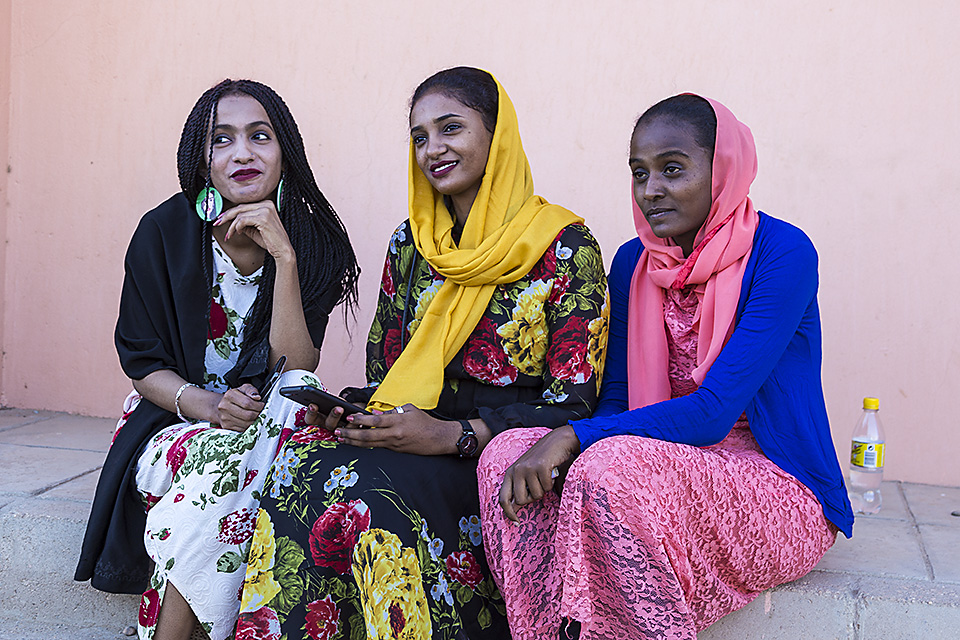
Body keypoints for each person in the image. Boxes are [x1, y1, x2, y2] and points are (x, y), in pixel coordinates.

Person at [236, 67, 608, 640]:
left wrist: (452, 435)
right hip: (415, 443)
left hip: (497, 458)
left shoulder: (564, 245)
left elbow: (577, 404)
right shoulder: (410, 244)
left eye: (451, 128)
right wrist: (349, 410)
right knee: (299, 472)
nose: (433, 149)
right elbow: (388, 377)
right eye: (419, 136)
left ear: (497, 132)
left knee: (369, 502)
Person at [477, 94, 855, 640]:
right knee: (504, 456)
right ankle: (544, 630)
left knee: (604, 468)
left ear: (721, 168)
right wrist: (576, 437)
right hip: (653, 459)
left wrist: (572, 436)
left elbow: (712, 414)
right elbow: (618, 399)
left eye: (672, 169)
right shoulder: (635, 261)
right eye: (639, 173)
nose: (651, 190)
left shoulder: (783, 253)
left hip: (774, 481)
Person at [74, 79, 360, 640]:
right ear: (200, 159)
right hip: (171, 420)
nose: (243, 153)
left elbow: (295, 366)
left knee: (275, 458)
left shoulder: (314, 240)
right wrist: (208, 406)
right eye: (221, 140)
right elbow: (141, 361)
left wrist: (285, 257)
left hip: (270, 420)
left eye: (260, 136)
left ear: (286, 151)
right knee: (228, 460)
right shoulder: (164, 231)